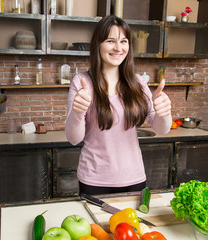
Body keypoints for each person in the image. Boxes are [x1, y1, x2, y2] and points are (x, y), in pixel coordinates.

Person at [65, 15, 172, 195]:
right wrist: (77, 111)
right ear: (97, 44)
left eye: (123, 41)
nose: (118, 48)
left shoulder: (138, 83)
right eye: (110, 41)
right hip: (94, 178)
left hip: (134, 177)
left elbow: (162, 129)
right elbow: (74, 139)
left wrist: (164, 113)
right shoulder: (82, 82)